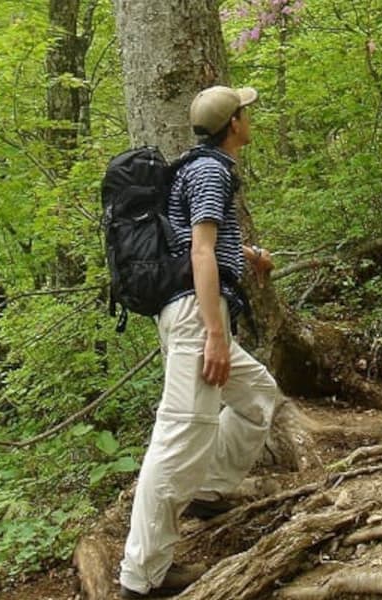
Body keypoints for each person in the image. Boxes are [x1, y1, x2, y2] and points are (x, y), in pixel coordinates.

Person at [119, 85, 281, 598]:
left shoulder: (199, 167)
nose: (250, 119)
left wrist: (248, 253)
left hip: (202, 312)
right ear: (233, 123)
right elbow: (201, 253)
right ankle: (139, 579)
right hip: (198, 317)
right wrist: (214, 331)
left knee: (257, 398)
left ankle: (209, 491)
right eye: (246, 113)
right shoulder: (210, 171)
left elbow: (195, 238)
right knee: (179, 439)